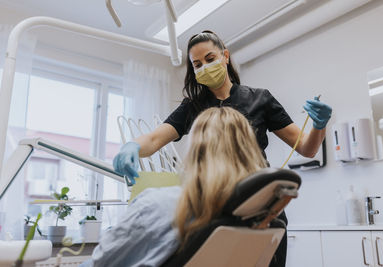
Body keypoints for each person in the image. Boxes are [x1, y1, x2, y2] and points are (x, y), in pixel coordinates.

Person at [113, 31, 332, 266]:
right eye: (197, 64)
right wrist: (133, 146)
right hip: (213, 209)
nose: (204, 67)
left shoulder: (260, 99)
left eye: (210, 59)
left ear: (225, 56)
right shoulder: (193, 107)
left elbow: (307, 149)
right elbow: (156, 138)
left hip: (260, 205)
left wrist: (319, 126)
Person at [83, 107, 268, 267]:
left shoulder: (157, 204)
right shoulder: (254, 215)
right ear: (250, 149)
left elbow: (102, 261)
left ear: (195, 149)